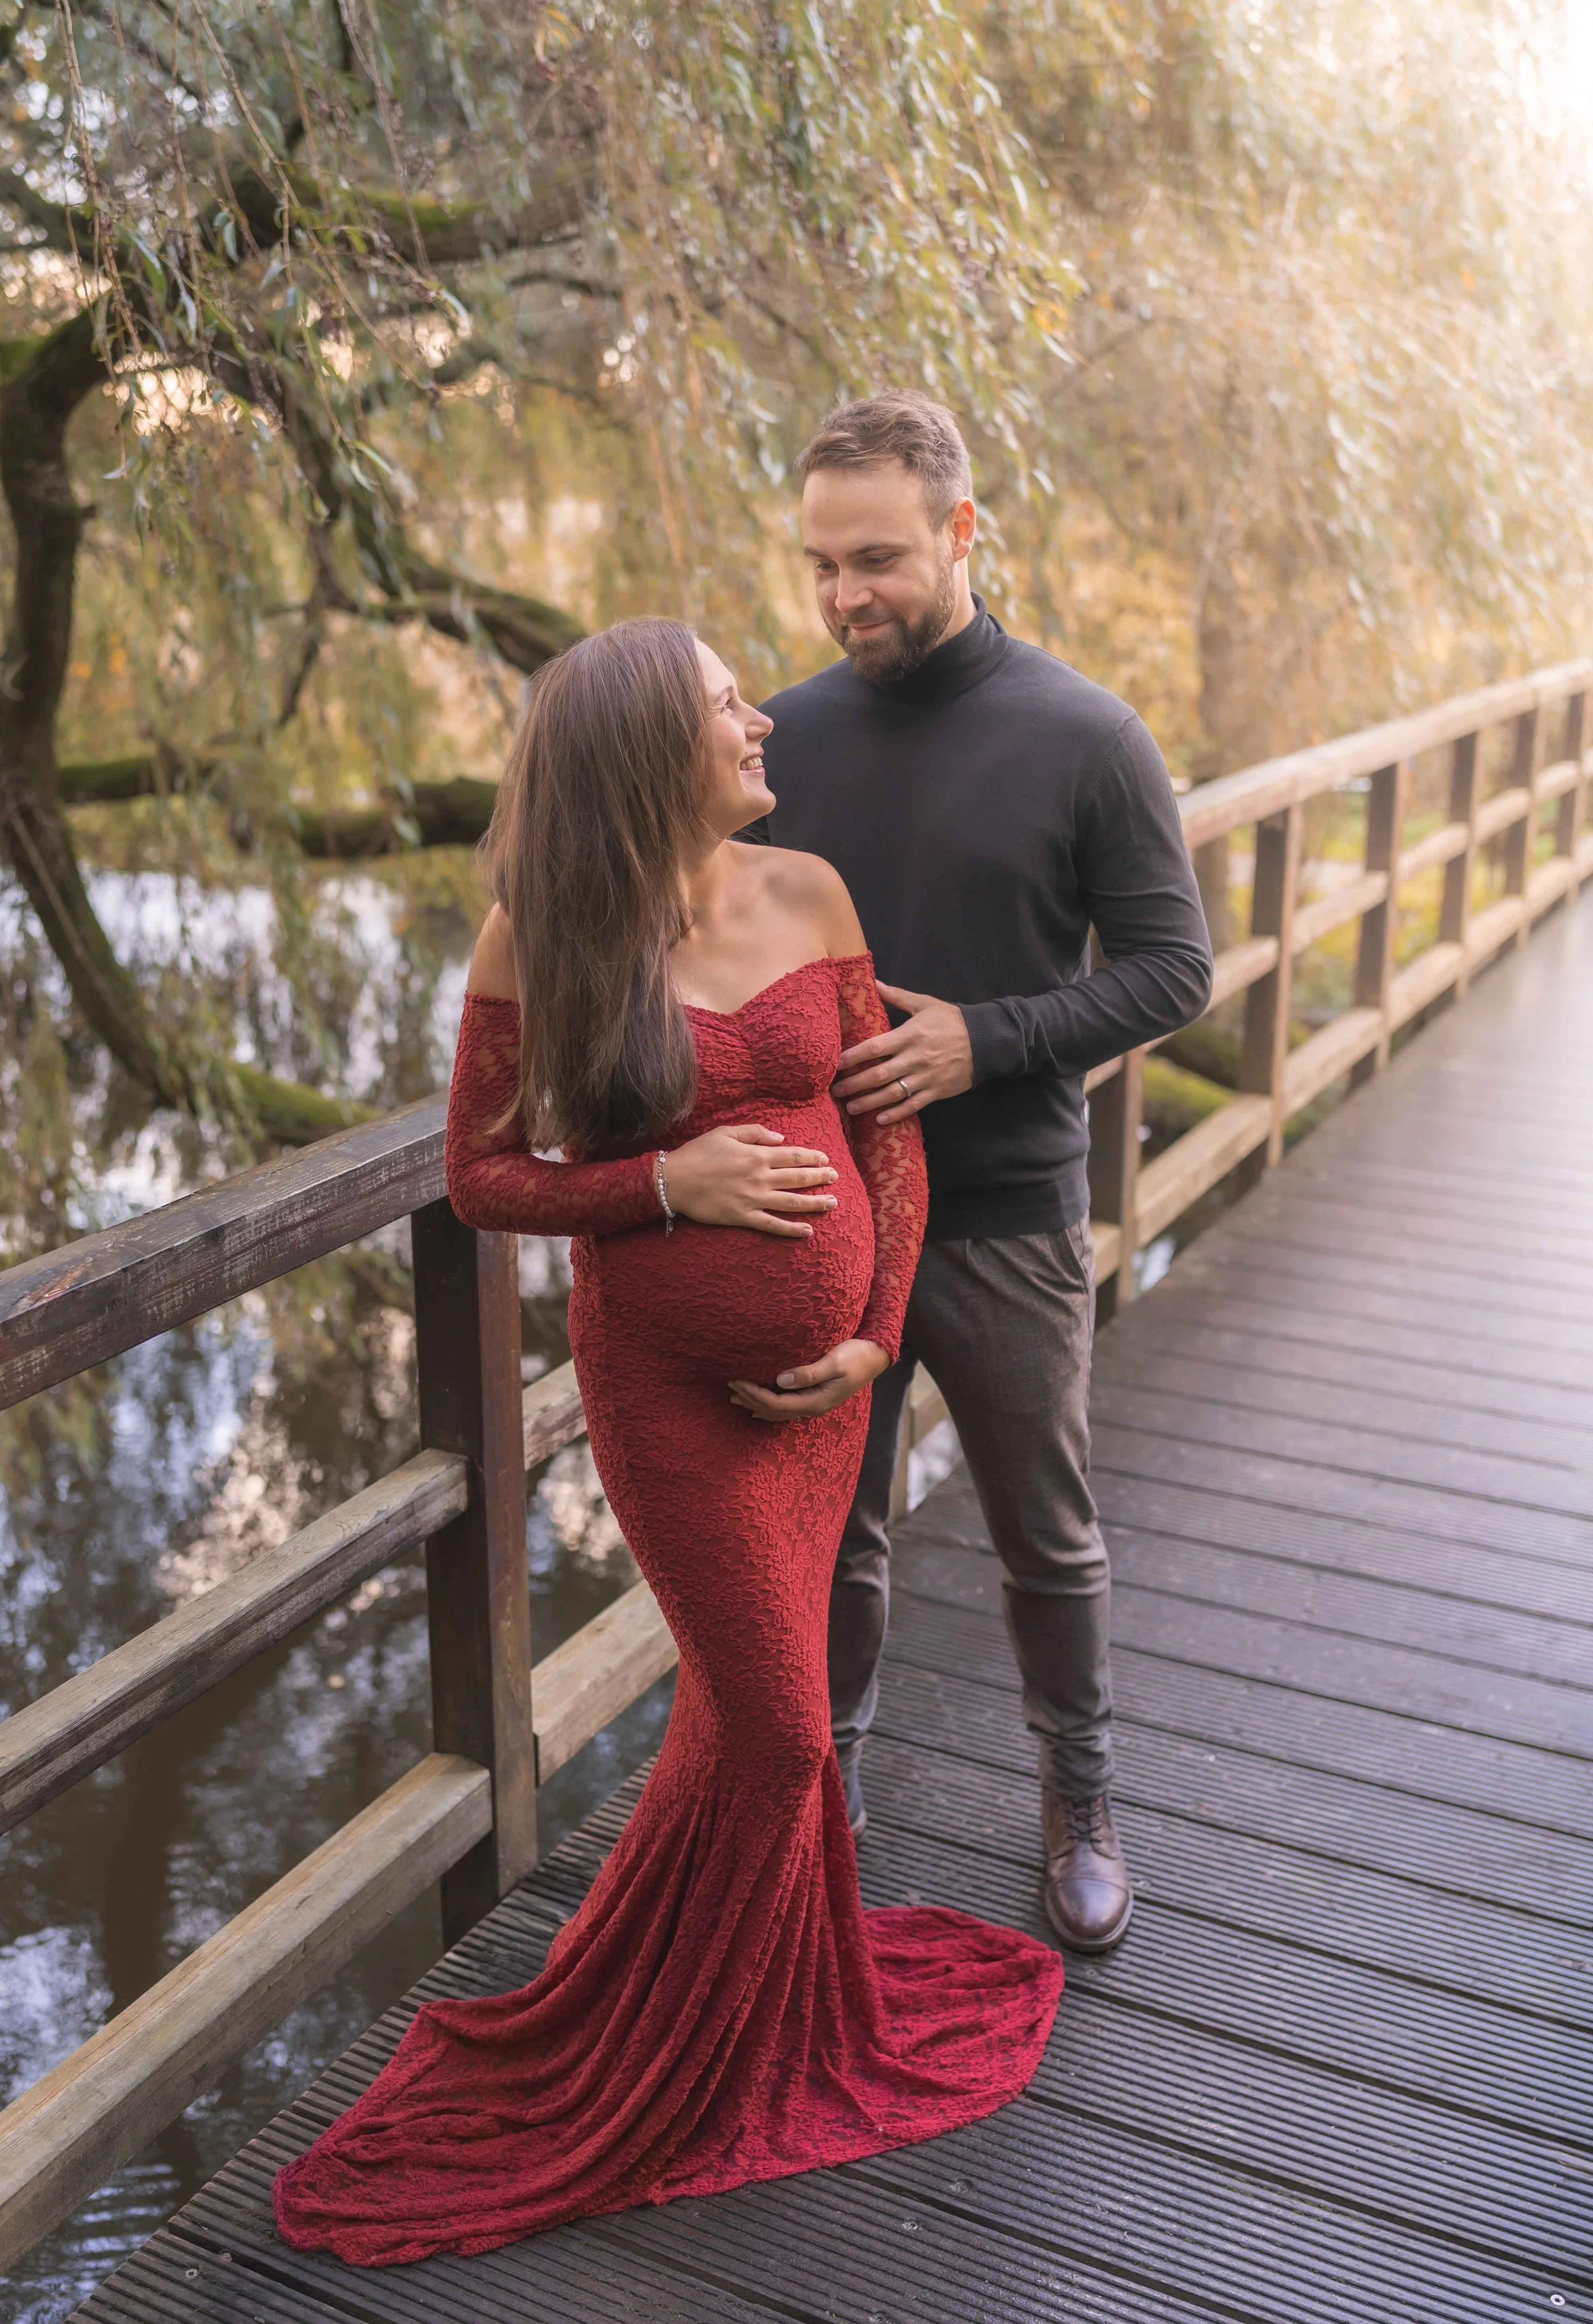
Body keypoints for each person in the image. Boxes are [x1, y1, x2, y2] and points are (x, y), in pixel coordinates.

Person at [272, 617, 1061, 2266]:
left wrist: (867, 1336)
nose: (761, 718)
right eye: (723, 707)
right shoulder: (543, 936)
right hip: (666, 1399)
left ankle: (753, 2000)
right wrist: (665, 1184)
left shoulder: (809, 893)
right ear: (650, 752)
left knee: (740, 1714)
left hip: (823, 1392)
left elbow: (885, 1142)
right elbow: (487, 1174)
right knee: (778, 1729)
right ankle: (669, 2053)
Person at [746, 391, 1214, 1955]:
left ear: (959, 530)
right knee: (835, 1530)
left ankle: (1078, 1804)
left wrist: (985, 1041)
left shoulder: (1088, 737)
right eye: (820, 564)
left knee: (1044, 1529)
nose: (842, 595)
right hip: (823, 1211)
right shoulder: (783, 737)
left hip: (1004, 1210)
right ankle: (831, 1798)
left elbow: (1171, 971)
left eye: (873, 557)